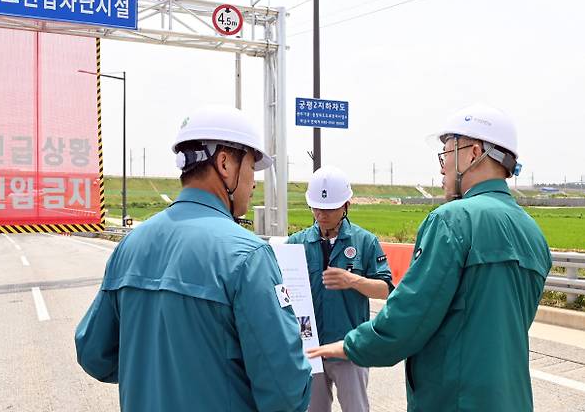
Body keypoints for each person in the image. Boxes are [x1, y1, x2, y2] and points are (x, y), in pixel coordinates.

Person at [308, 104, 552, 412]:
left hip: (453, 400)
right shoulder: (533, 234)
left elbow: (409, 317)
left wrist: (348, 346)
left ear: (473, 152)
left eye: (446, 154)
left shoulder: (452, 220)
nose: (441, 167)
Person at [75, 104, 312, 412]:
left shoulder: (130, 246)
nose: (254, 183)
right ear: (225, 163)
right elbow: (286, 390)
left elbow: (93, 353)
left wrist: (154, 373)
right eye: (252, 168)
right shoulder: (247, 256)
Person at [287, 165, 393, 412]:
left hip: (350, 349)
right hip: (310, 350)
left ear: (346, 205)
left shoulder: (365, 242)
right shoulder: (296, 244)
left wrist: (353, 281)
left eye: (329, 209)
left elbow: (386, 289)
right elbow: (278, 291)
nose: (321, 215)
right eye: (316, 208)